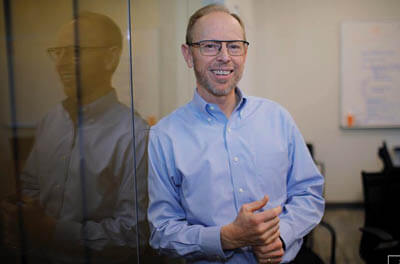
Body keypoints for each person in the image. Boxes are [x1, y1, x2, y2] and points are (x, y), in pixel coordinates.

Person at [147, 4, 325, 264]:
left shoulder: (277, 118)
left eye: (234, 46)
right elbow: (162, 233)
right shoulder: (165, 136)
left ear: (245, 52)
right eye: (210, 46)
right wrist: (225, 238)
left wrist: (281, 236)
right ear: (188, 55)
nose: (224, 57)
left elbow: (309, 193)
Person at [0, 11, 149, 263]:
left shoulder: (134, 136)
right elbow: (31, 184)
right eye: (57, 52)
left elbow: (133, 234)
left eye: (75, 52)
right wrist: (19, 210)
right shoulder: (51, 120)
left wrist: (51, 230)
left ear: (110, 58)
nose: (61, 63)